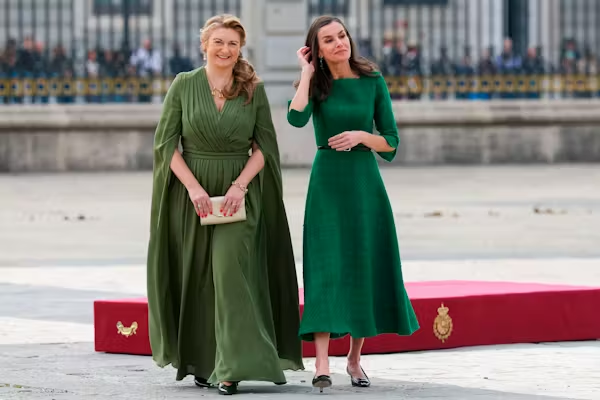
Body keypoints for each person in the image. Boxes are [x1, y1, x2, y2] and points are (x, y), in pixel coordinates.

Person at [147, 14, 304, 396]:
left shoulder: (252, 89)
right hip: (193, 197)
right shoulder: (183, 85)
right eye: (218, 41)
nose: (225, 49)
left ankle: (232, 368)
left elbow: (265, 148)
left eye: (233, 43)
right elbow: (166, 145)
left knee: (229, 273)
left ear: (240, 49)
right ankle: (206, 363)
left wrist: (239, 186)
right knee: (200, 278)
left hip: (238, 199)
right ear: (204, 44)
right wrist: (194, 189)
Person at [287, 15, 420, 391]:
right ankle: (321, 361)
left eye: (341, 35)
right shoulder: (315, 84)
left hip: (364, 184)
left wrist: (362, 136)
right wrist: (307, 73)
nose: (339, 43)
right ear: (317, 50)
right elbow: (295, 118)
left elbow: (391, 141)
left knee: (363, 264)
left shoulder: (372, 80)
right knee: (325, 267)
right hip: (327, 184)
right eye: (328, 40)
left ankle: (355, 359)